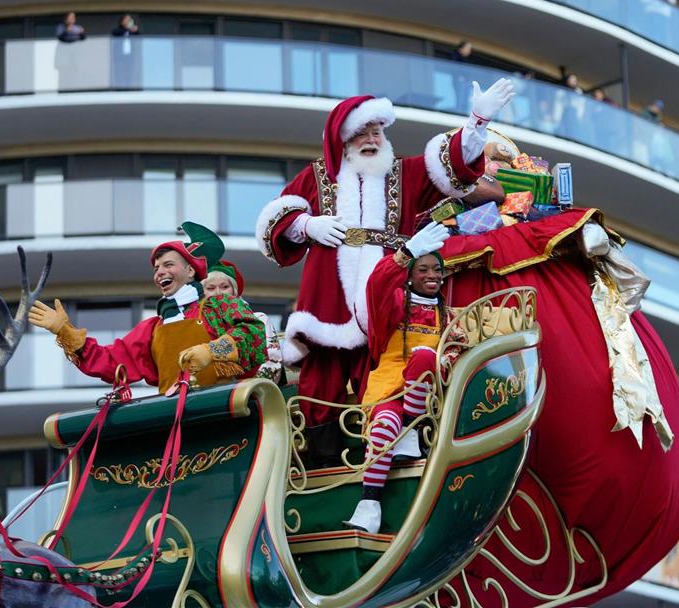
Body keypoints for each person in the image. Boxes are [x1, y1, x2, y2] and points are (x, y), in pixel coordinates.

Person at [255, 81, 514, 465]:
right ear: (344, 139)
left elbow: (453, 166)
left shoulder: (406, 173)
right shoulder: (316, 177)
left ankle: (386, 462)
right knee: (319, 386)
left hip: (387, 295)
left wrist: (476, 122)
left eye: (378, 131)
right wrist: (308, 226)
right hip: (328, 299)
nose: (372, 139)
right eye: (363, 132)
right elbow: (275, 221)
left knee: (386, 373)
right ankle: (315, 468)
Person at [28, 222, 266, 393]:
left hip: (227, 413)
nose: (160, 271)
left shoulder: (218, 305)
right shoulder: (152, 328)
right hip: (175, 421)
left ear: (191, 271)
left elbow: (254, 334)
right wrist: (66, 332)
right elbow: (112, 363)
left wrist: (212, 352)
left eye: (168, 264)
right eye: (156, 268)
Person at [345, 222, 468, 533]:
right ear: (410, 276)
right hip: (388, 390)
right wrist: (406, 252)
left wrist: (446, 359)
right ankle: (369, 505)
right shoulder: (397, 304)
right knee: (385, 425)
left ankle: (411, 431)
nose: (432, 276)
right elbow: (377, 285)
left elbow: (458, 352)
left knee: (425, 357)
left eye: (437, 270)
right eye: (423, 269)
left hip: (428, 400)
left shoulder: (451, 316)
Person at [203, 260, 284, 384]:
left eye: (225, 287)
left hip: (253, 393)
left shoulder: (257, 319)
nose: (218, 292)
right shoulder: (197, 323)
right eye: (211, 288)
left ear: (234, 290)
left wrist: (251, 392)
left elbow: (272, 362)